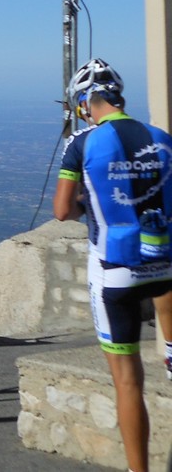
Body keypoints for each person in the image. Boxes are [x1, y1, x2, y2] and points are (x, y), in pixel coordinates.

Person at [54, 58, 172, 472]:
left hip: (113, 269)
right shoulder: (162, 138)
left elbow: (62, 209)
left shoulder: (83, 142)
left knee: (128, 381)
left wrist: (91, 202)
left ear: (87, 101)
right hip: (163, 264)